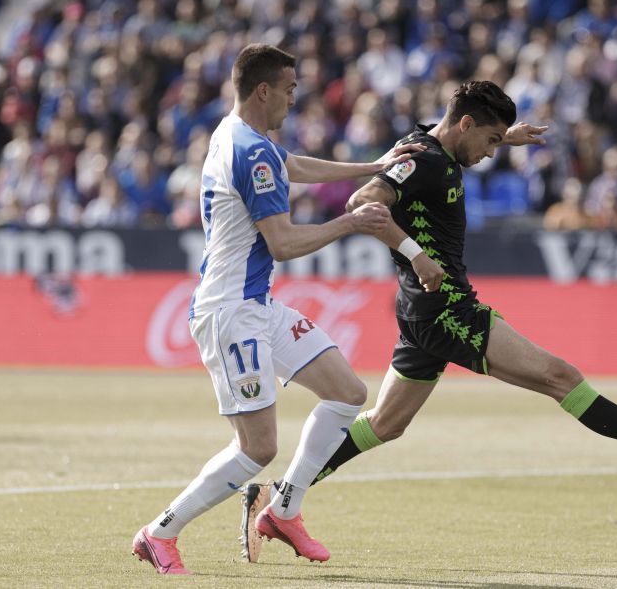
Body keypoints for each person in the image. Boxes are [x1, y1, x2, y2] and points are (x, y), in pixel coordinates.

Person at [242, 81, 617, 561]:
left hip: (422, 306)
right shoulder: (423, 163)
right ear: (464, 124)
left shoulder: (427, 146)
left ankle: (280, 497)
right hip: (445, 308)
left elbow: (449, 151)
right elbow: (362, 202)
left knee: (386, 424)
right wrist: (415, 253)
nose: (489, 152)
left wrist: (507, 136)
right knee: (561, 378)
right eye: (486, 140)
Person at [131, 44, 422, 575]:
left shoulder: (236, 133)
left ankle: (283, 511)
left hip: (256, 304)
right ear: (263, 90)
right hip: (229, 312)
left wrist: (373, 166)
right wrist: (352, 223)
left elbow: (295, 165)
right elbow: (284, 243)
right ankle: (160, 531)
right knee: (258, 448)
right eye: (289, 89)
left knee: (348, 393)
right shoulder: (250, 151)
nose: (294, 97)